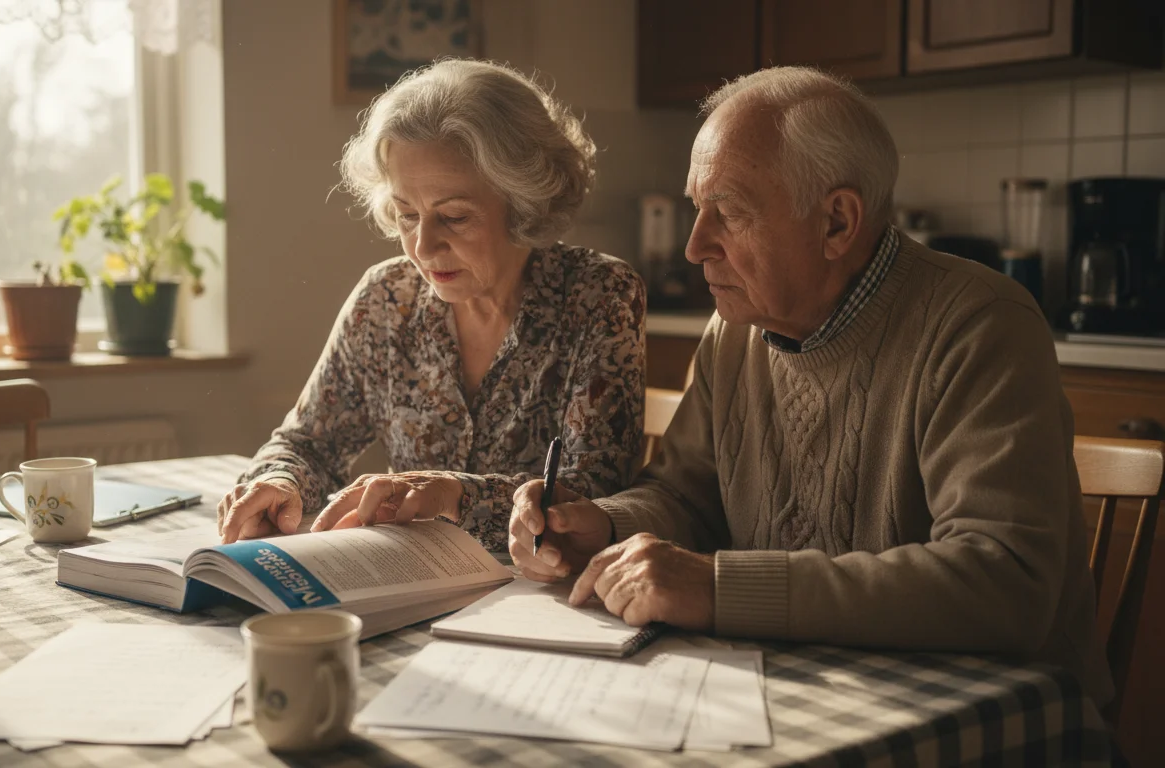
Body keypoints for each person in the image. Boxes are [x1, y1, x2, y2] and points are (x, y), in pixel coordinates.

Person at [509, 66, 1114, 706]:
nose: (693, 246)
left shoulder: (979, 326)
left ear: (837, 222)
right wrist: (603, 526)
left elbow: (1005, 584)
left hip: (996, 725)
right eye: (696, 207)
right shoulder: (734, 330)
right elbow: (688, 498)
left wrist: (719, 587)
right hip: (800, 692)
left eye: (731, 212)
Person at [218, 59, 645, 553]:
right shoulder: (385, 300)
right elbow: (308, 443)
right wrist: (280, 482)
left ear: (525, 202)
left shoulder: (599, 295)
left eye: (455, 216)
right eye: (406, 214)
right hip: (410, 585)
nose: (422, 246)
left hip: (541, 598)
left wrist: (454, 494)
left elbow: (594, 501)